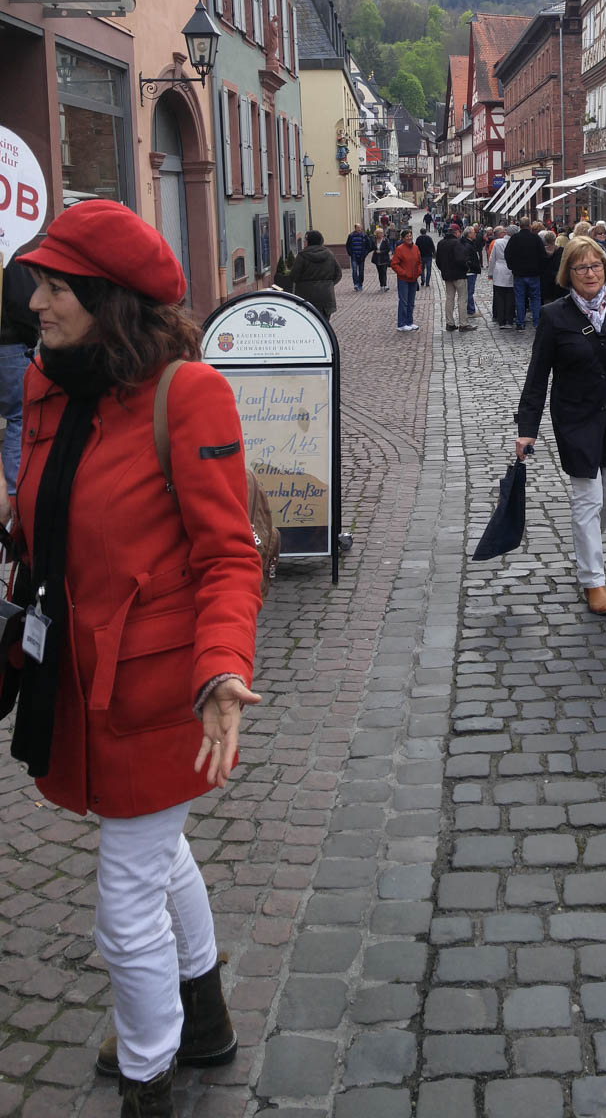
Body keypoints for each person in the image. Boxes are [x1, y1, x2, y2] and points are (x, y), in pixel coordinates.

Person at [2, 200, 261, 1118]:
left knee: (123, 906)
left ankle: (151, 1078)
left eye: (55, 285)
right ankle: (206, 1020)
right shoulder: (50, 387)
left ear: (107, 298)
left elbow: (227, 554)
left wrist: (223, 667)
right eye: (37, 281)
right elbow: (49, 516)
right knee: (157, 857)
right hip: (74, 679)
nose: (36, 300)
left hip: (161, 694)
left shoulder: (186, 394)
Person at [515, 238, 606, 616]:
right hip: (576, 418)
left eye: (595, 266)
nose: (590, 273)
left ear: (605, 269)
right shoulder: (554, 316)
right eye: (581, 268)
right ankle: (594, 580)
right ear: (568, 274)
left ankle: (586, 540)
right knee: (587, 500)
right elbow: (538, 375)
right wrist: (528, 428)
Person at [0, 252, 40, 500]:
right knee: (19, 416)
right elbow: (24, 302)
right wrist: (29, 338)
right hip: (9, 346)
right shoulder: (9, 253)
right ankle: (14, 495)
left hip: (10, 343)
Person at [286, 230, 342, 320]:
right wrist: (328, 284)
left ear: (308, 241)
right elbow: (338, 274)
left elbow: (293, 276)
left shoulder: (302, 256)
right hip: (325, 296)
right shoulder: (329, 254)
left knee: (308, 324)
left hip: (306, 296)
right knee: (324, 324)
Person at [505, 217, 545, 331]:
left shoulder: (514, 239)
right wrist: (540, 269)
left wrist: (512, 267)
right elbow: (543, 255)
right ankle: (536, 322)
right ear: (530, 225)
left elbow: (507, 254)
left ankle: (520, 322)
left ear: (520, 226)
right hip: (534, 274)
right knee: (535, 298)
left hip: (519, 274)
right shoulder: (535, 238)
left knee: (520, 298)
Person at [435, 223, 471, 331]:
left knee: (449, 299)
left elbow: (438, 261)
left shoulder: (441, 243)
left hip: (447, 275)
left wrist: (444, 270)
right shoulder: (457, 243)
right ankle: (463, 324)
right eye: (459, 232)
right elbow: (461, 259)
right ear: (456, 232)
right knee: (462, 299)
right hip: (459, 275)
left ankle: (450, 323)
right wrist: (466, 268)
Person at [390, 227, 422, 332]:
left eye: (410, 236)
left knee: (411, 302)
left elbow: (419, 262)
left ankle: (409, 322)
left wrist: (419, 271)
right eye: (407, 236)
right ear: (403, 238)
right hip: (403, 279)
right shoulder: (399, 249)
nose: (409, 238)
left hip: (413, 279)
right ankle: (401, 323)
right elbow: (394, 264)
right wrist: (403, 273)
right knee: (404, 302)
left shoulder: (416, 248)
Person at [487, 224, 515, 328]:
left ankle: (501, 320)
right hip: (510, 270)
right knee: (510, 297)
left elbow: (492, 259)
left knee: (500, 297)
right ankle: (509, 319)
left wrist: (490, 273)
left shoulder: (497, 242)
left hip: (498, 270)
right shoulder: (513, 242)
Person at [345, 224, 373, 292]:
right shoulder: (351, 236)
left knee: (361, 271)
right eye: (358, 228)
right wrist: (350, 253)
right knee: (354, 270)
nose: (359, 229)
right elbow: (347, 245)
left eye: (360, 228)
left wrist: (365, 253)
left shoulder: (364, 236)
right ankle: (356, 284)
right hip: (354, 256)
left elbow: (369, 245)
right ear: (355, 228)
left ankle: (360, 284)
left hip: (361, 256)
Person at [539, 229, 563, 305]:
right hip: (557, 276)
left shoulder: (542, 251)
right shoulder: (561, 250)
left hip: (545, 277)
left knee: (547, 299)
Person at [463, 226, 481, 318]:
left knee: (469, 291)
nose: (475, 234)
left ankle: (470, 309)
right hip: (470, 272)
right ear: (469, 234)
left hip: (471, 271)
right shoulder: (467, 245)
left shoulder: (470, 243)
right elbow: (467, 259)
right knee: (469, 292)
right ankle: (471, 310)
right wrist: (472, 267)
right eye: (473, 232)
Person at [371, 227, 392, 292]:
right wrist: (375, 250)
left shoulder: (385, 240)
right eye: (378, 233)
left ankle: (385, 285)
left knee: (384, 272)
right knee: (380, 272)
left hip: (384, 258)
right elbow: (372, 247)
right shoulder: (374, 240)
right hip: (377, 259)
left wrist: (381, 252)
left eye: (381, 233)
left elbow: (388, 249)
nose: (380, 235)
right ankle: (381, 286)